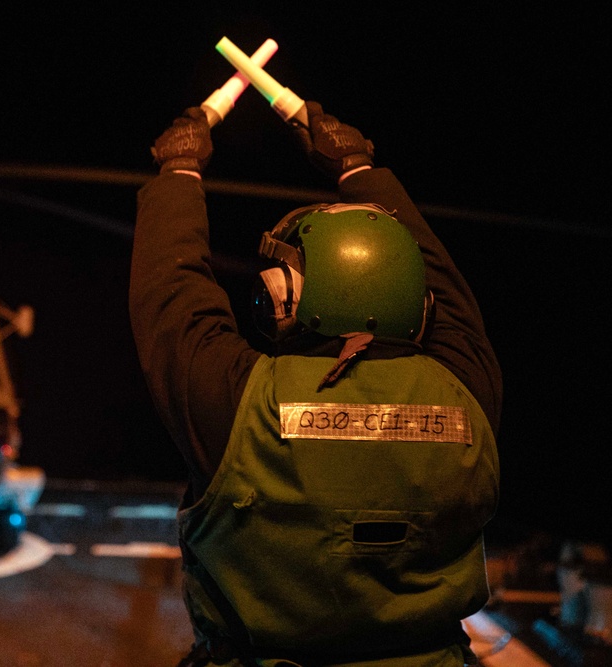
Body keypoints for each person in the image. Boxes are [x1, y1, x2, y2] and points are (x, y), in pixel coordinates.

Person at [130, 102, 502, 666]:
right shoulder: (467, 390)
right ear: (415, 300)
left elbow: (170, 291)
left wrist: (177, 171)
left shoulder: (241, 404)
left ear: (282, 298)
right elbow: (447, 288)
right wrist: (357, 165)